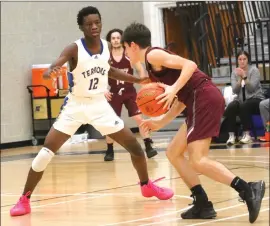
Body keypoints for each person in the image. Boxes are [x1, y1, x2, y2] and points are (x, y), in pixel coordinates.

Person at [10, 7, 174, 217]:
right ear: (81, 26)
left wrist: (138, 80)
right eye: (89, 24)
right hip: (75, 106)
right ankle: (24, 199)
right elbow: (56, 64)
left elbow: (110, 71)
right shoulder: (74, 48)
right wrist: (51, 72)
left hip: (99, 105)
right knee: (45, 153)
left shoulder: (105, 47)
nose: (94, 27)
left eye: (97, 22)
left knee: (135, 147)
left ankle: (146, 185)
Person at [121, 22, 265, 223]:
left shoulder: (152, 55)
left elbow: (190, 65)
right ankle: (202, 202)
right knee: (173, 152)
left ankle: (248, 188)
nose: (125, 52)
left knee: (197, 159)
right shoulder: (150, 64)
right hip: (197, 99)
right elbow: (181, 100)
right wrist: (160, 122)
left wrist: (172, 89)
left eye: (125, 47)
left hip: (203, 97)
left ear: (133, 45)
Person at [103, 28, 157, 161]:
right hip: (114, 93)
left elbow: (141, 70)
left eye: (117, 37)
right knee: (110, 123)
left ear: (121, 40)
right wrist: (103, 89)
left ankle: (148, 145)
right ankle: (109, 149)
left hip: (129, 92)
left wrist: (145, 86)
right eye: (113, 38)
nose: (115, 40)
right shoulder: (106, 57)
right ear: (110, 41)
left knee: (139, 119)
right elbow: (100, 75)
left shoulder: (129, 55)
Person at [224, 51, 265, 145]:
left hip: (256, 99)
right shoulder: (234, 73)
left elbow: (251, 89)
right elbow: (234, 90)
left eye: (244, 59)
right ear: (237, 61)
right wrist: (239, 80)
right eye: (240, 59)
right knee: (231, 106)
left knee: (244, 106)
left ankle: (247, 134)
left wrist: (245, 77)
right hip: (241, 100)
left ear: (248, 60)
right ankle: (232, 136)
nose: (242, 61)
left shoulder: (254, 70)